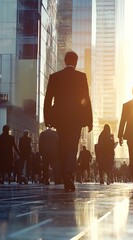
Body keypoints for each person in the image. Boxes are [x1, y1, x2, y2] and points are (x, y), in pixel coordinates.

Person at [44, 51, 93, 192]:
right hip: (76, 118)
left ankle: (65, 172)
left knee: (63, 146)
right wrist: (89, 120)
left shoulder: (55, 77)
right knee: (72, 146)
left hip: (59, 118)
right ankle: (68, 173)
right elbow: (86, 100)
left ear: (65, 61)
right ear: (76, 62)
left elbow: (48, 99)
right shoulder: (81, 77)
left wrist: (47, 118)